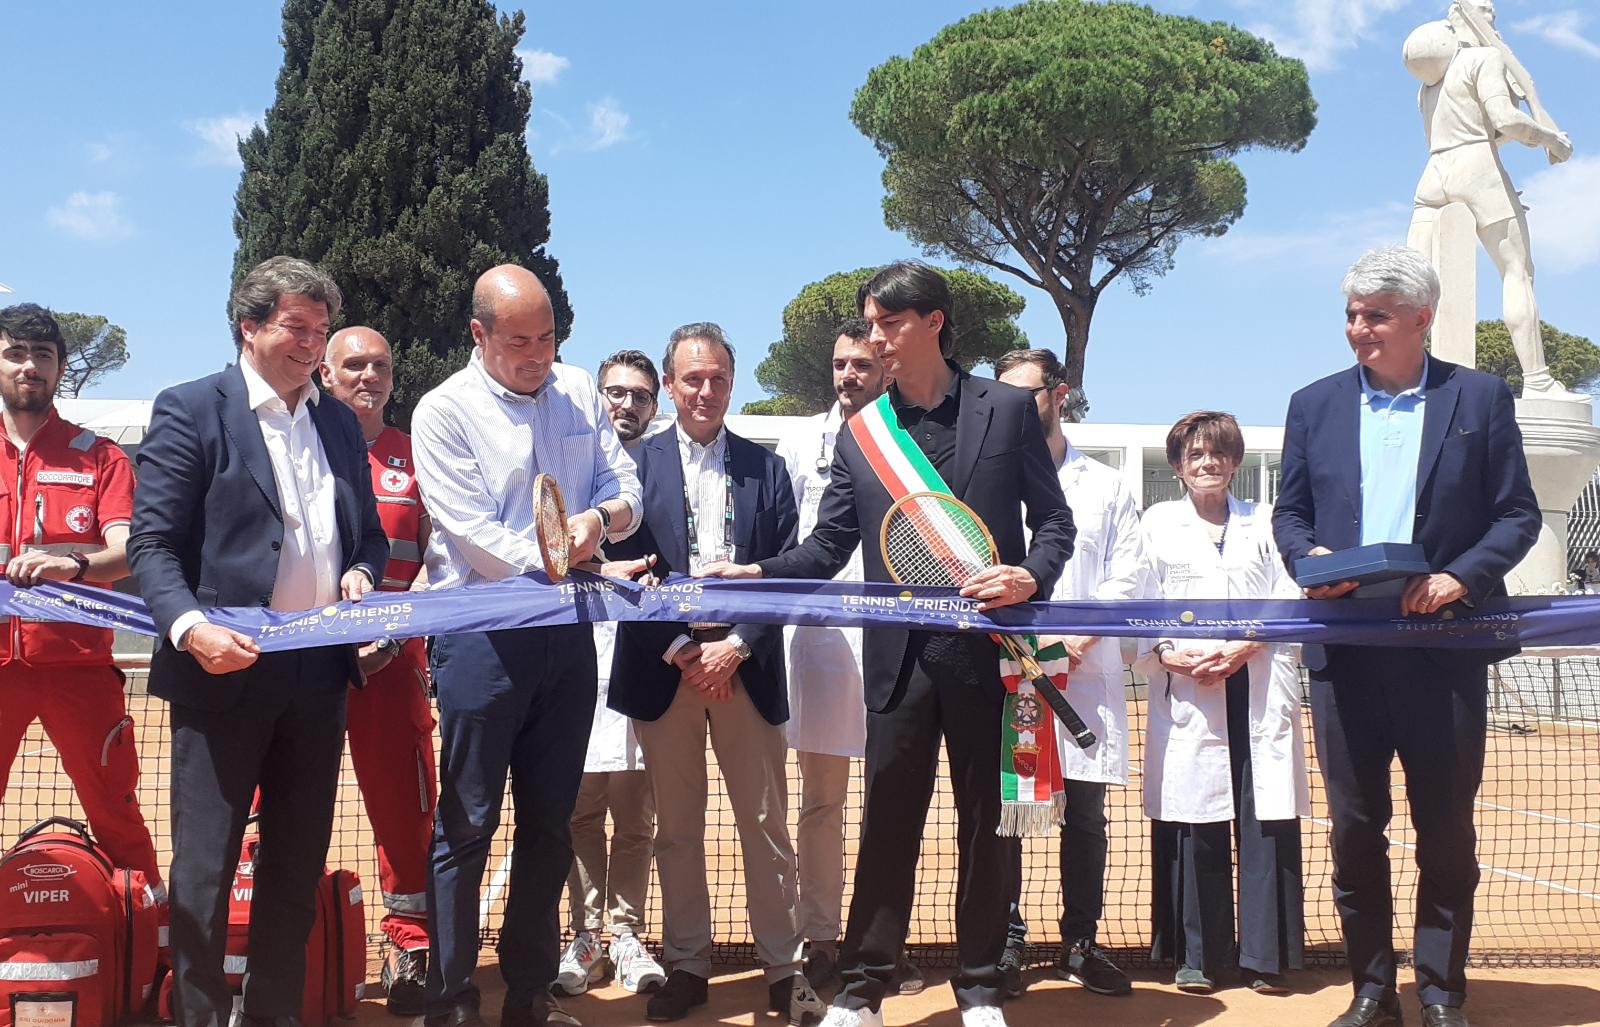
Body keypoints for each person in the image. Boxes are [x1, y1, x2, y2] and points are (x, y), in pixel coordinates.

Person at [701, 262, 1075, 1027]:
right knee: (887, 826)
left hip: (990, 656)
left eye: (890, 323)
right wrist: (758, 571)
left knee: (987, 823)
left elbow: (1055, 523)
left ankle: (979, 986)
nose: (876, 338)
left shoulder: (1008, 410)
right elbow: (828, 544)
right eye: (871, 324)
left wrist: (1030, 575)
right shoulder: (863, 431)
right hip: (898, 665)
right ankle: (864, 988)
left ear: (934, 322)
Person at [1273, 245, 1540, 1027]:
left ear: (1421, 318)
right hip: (1346, 651)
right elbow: (1290, 514)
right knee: (1356, 831)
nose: (1359, 327)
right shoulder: (1312, 403)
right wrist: (1309, 560)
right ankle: (1372, 989)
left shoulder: (1481, 397)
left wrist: (1461, 576)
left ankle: (1442, 992)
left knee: (1446, 829)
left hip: (1444, 652)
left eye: (1376, 315)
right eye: (1352, 314)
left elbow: (1516, 514)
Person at [128, 257, 389, 1027]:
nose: (311, 345)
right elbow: (152, 546)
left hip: (318, 677)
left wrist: (362, 573)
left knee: (294, 866)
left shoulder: (337, 421)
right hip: (220, 672)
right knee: (205, 871)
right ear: (249, 326)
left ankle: (274, 1014)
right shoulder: (190, 409)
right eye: (296, 328)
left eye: (320, 331)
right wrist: (191, 629)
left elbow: (369, 536)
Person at [412, 265, 641, 1027]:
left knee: (550, 822)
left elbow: (626, 488)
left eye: (548, 337)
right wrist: (567, 556)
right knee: (466, 824)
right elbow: (476, 538)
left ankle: (528, 997)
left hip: (567, 639)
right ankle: (451, 1000)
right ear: (479, 334)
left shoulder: (578, 390)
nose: (538, 354)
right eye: (519, 341)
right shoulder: (443, 410)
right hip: (480, 640)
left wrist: (599, 521)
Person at [606, 323, 823, 1026]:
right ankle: (688, 965)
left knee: (765, 825)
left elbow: (788, 570)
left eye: (717, 379)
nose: (705, 390)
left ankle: (785, 968)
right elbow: (620, 573)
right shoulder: (629, 467)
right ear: (670, 385)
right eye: (692, 378)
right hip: (664, 666)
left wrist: (738, 645)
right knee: (676, 827)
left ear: (732, 384)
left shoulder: (768, 469)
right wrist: (679, 646)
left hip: (744, 666)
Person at [1138, 411, 1308, 997]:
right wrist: (1167, 653)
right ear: (1178, 465)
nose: (1206, 463)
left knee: (1265, 815)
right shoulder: (1157, 523)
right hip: (1189, 686)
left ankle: (1266, 956)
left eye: (1217, 453)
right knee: (1196, 815)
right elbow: (1141, 599)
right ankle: (1199, 956)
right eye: (1194, 454)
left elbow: (1290, 590)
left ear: (1234, 461)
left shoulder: (1267, 520)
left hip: (1256, 681)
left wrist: (1245, 646)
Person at [991, 348, 1139, 1001]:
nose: (1016, 410)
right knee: (1013, 813)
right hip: (1012, 678)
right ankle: (1007, 939)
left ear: (1059, 393)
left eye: (1027, 395)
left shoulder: (1106, 485)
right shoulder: (989, 481)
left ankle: (1080, 942)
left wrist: (1075, 642)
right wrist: (1028, 649)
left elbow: (1129, 574)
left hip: (1087, 676)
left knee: (1085, 819)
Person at [0, 303, 162, 890]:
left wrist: (72, 564)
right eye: (15, 353)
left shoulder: (99, 456)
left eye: (42, 355)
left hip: (81, 666)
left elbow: (131, 550)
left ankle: (148, 929)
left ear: (61, 368)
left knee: (116, 808)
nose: (29, 366)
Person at [318, 326, 437, 1015]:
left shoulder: (418, 457)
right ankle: (287, 935)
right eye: (354, 364)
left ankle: (408, 944)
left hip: (390, 665)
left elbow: (437, 558)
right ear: (326, 373)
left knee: (404, 807)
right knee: (278, 798)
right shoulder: (297, 448)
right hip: (303, 665)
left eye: (381, 366)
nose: (369, 376)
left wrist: (389, 634)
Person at [554, 350, 667, 998]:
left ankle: (625, 933)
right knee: (578, 813)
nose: (626, 404)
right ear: (598, 397)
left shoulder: (661, 470)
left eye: (640, 396)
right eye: (615, 392)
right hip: (573, 661)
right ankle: (585, 934)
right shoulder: (569, 465)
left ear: (654, 407)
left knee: (636, 817)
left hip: (642, 666)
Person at [1403, 0, 1573, 394]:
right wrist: (1551, 139)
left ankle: (1403, 379)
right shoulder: (1484, 58)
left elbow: (1462, 129)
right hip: (1478, 171)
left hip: (1433, 175)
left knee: (1410, 286)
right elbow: (1505, 121)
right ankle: (1538, 381)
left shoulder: (1427, 86)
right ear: (1466, 15)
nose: (1493, 17)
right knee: (1517, 273)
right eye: (1487, 9)